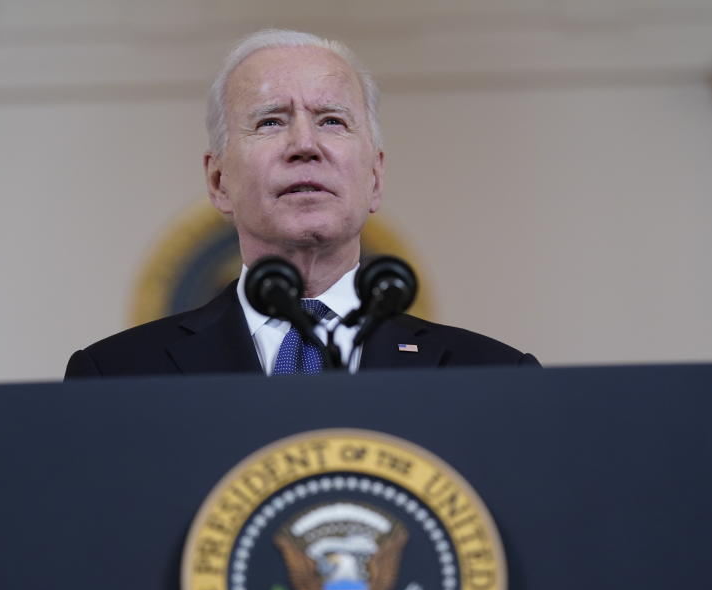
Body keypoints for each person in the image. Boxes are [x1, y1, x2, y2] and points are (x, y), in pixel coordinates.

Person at [65, 29, 538, 379]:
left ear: (374, 176)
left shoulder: (495, 376)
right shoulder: (115, 376)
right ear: (218, 180)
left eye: (332, 120)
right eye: (271, 122)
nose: (304, 145)